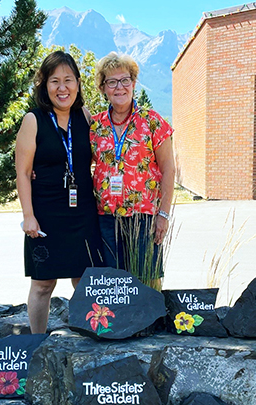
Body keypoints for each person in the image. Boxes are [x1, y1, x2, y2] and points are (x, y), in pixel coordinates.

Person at [15, 51, 103, 333]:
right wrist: (28, 216)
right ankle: (36, 343)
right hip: (46, 214)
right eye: (55, 81)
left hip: (82, 212)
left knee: (84, 280)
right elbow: (23, 173)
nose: (62, 88)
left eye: (68, 80)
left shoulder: (85, 117)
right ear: (45, 85)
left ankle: (84, 338)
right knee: (43, 284)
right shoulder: (33, 120)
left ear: (78, 83)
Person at [90, 52, 175, 289]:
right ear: (103, 88)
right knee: (111, 284)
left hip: (144, 217)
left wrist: (164, 215)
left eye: (125, 80)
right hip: (106, 219)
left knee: (147, 280)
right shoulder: (95, 126)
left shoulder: (153, 122)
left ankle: (150, 327)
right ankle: (117, 326)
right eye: (112, 82)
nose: (120, 87)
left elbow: (169, 170)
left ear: (134, 83)